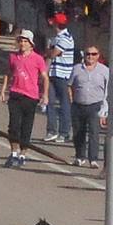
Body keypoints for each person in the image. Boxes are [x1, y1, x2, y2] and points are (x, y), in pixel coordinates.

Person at [0, 29, 48, 169]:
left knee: (26, 126)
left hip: (30, 96)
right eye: (20, 41)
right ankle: (13, 152)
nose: (22, 43)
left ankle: (23, 153)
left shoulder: (38, 59)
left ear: (31, 44)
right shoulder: (13, 57)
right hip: (15, 93)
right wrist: (3, 89)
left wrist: (45, 94)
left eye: (25, 41)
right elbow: (8, 73)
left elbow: (44, 77)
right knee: (13, 126)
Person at [69, 46, 109, 169]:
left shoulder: (104, 70)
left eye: (93, 54)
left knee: (94, 132)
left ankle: (93, 159)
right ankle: (80, 157)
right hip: (78, 104)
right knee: (78, 132)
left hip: (95, 105)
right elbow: (70, 85)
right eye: (88, 54)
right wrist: (71, 100)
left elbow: (108, 91)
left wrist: (104, 110)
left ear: (98, 55)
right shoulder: (76, 69)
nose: (90, 56)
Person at [43, 12, 74, 144]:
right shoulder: (56, 38)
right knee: (49, 101)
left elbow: (53, 53)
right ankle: (51, 130)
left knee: (64, 103)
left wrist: (48, 51)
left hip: (63, 74)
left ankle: (64, 132)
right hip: (53, 73)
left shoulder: (66, 38)